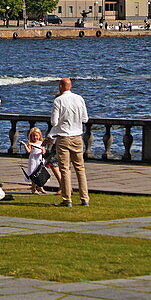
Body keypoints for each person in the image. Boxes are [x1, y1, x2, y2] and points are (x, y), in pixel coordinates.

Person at [47, 78, 89, 207]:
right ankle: (84, 198)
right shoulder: (79, 98)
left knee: (65, 169)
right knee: (80, 168)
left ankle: (67, 199)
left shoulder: (58, 100)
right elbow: (85, 119)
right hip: (77, 136)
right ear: (70, 86)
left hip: (64, 137)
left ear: (60, 86)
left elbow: (54, 122)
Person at [21, 127, 48, 194]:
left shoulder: (41, 143)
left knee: (40, 174)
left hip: (40, 160)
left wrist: (43, 151)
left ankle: (40, 187)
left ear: (39, 136)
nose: (35, 137)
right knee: (34, 174)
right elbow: (28, 151)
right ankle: (33, 188)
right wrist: (25, 145)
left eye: (36, 136)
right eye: (33, 136)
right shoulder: (30, 144)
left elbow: (44, 151)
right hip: (33, 160)